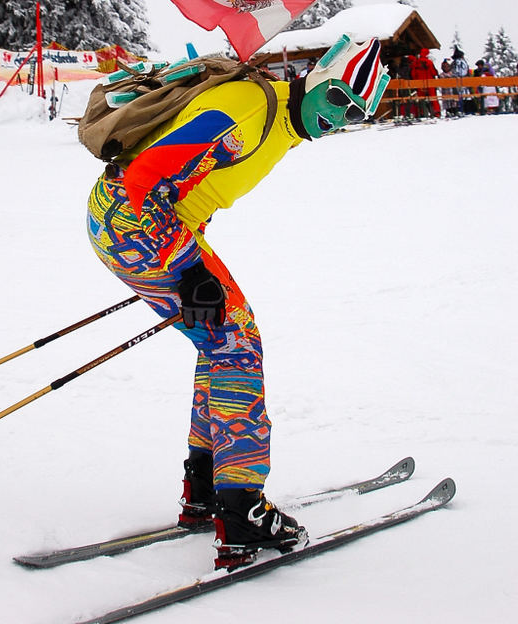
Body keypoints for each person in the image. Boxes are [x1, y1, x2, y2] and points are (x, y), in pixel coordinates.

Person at [85, 36, 388, 562]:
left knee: (223, 343)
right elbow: (145, 174)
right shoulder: (250, 110)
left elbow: (193, 178)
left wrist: (190, 260)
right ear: (316, 77)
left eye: (358, 113)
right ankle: (241, 507)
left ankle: (207, 492)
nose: (341, 117)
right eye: (339, 97)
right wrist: (188, 275)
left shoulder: (283, 122)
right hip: (138, 219)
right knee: (237, 347)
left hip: (150, 225)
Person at [410, 48, 440, 118]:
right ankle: (436, 112)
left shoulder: (416, 63)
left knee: (421, 99)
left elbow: (413, 75)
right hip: (430, 83)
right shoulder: (429, 62)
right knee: (433, 98)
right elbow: (434, 72)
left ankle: (422, 112)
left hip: (420, 84)